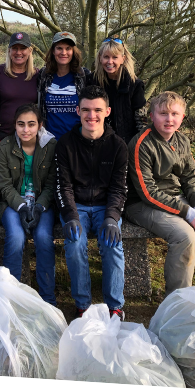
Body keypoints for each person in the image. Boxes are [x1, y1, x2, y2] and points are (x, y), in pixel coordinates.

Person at [126, 91, 195, 294]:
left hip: (179, 200)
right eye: (163, 113)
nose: (169, 119)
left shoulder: (182, 141)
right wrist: (187, 212)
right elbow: (147, 192)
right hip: (141, 205)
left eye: (175, 114)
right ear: (151, 115)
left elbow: (190, 177)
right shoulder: (141, 144)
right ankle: (177, 302)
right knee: (185, 237)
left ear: (182, 117)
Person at [53, 85, 128, 319]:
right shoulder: (65, 144)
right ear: (77, 111)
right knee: (75, 243)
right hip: (77, 206)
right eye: (86, 109)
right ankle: (83, 305)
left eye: (97, 110)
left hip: (106, 206)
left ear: (107, 111)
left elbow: (119, 188)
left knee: (112, 244)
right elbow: (62, 186)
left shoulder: (118, 146)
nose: (91, 115)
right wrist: (71, 216)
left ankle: (115, 306)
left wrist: (112, 218)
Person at [0, 104, 57, 303]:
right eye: (21, 124)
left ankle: (47, 297)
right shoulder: (5, 146)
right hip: (13, 204)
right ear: (14, 125)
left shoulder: (51, 146)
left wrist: (39, 207)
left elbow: (52, 184)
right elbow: (4, 185)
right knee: (15, 237)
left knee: (44, 238)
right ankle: (11, 296)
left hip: (42, 204)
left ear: (40, 125)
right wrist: (21, 206)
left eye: (31, 124)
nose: (26, 130)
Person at [93, 37, 148, 142]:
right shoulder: (91, 81)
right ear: (100, 58)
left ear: (123, 58)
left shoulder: (135, 85)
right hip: (97, 142)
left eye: (115, 57)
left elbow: (141, 121)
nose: (110, 62)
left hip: (127, 143)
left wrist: (140, 145)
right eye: (106, 57)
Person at [0, 31, 41, 139]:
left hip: (28, 136)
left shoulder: (38, 75)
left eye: (23, 48)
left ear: (29, 51)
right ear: (9, 51)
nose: (18, 52)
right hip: (3, 135)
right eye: (15, 48)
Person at [38, 31, 84, 141]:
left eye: (68, 48)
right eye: (59, 48)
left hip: (76, 141)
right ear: (53, 51)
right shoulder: (44, 75)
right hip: (49, 141)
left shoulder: (82, 76)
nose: (64, 52)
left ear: (73, 52)